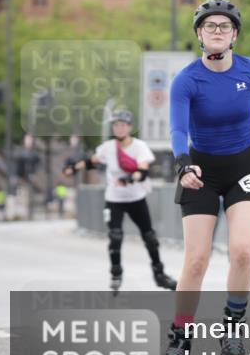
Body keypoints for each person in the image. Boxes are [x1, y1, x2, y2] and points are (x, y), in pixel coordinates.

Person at [161, 0, 250, 355]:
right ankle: (180, 336)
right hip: (200, 169)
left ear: (234, 34)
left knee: (242, 250)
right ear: (199, 34)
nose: (217, 31)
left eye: (224, 26)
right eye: (210, 26)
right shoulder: (186, 79)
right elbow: (177, 129)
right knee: (197, 260)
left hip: (245, 167)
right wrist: (183, 163)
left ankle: (233, 325)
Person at [62, 110, 177, 293]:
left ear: (130, 127)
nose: (119, 128)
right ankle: (116, 273)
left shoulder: (139, 146)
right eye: (116, 125)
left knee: (149, 237)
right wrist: (72, 168)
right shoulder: (108, 147)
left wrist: (132, 178)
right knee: (115, 236)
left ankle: (160, 274)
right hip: (114, 199)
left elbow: (143, 170)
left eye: (123, 125)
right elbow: (91, 162)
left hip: (136, 198)